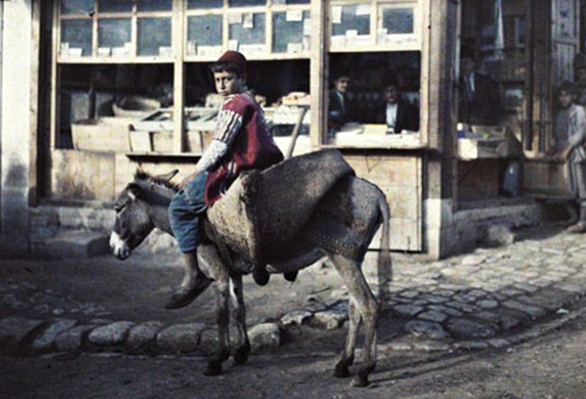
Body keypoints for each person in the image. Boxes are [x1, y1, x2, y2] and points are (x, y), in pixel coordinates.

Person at [165, 51, 284, 309]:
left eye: (227, 79)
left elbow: (220, 146)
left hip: (237, 169)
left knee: (178, 207)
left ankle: (193, 273)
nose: (221, 85)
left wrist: (195, 173)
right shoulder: (250, 101)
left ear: (241, 77)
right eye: (217, 79)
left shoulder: (235, 104)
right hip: (260, 166)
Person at [551, 81, 586, 233]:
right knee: (566, 188)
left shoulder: (579, 111)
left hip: (574, 153)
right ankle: (572, 216)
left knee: (581, 188)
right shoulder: (559, 113)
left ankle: (583, 221)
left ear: (573, 96)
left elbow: (580, 132)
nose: (563, 98)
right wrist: (553, 149)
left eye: (567, 95)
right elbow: (557, 135)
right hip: (561, 154)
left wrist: (567, 149)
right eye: (561, 95)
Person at [458, 49, 502, 125]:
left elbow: (495, 102)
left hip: (483, 122)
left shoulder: (485, 81)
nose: (463, 67)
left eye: (466, 63)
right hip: (463, 122)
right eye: (461, 64)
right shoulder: (458, 82)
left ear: (473, 64)